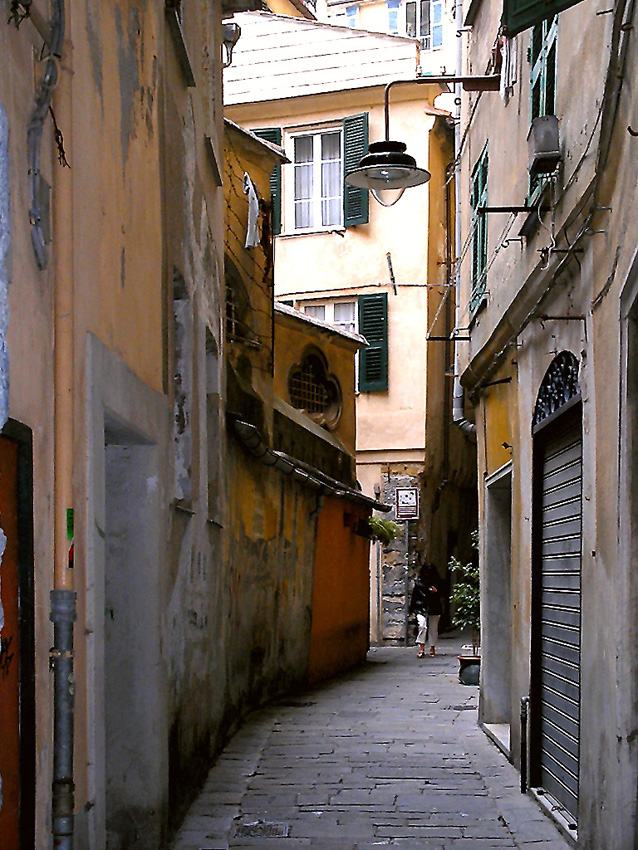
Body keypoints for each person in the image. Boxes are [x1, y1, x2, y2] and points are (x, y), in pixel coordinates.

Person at [408, 562, 443, 658]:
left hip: (434, 607)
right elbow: (414, 597)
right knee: (422, 625)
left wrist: (436, 591)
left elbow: (444, 594)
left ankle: (432, 647)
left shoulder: (438, 582)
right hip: (421, 607)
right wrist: (411, 609)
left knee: (433, 628)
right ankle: (422, 647)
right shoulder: (419, 583)